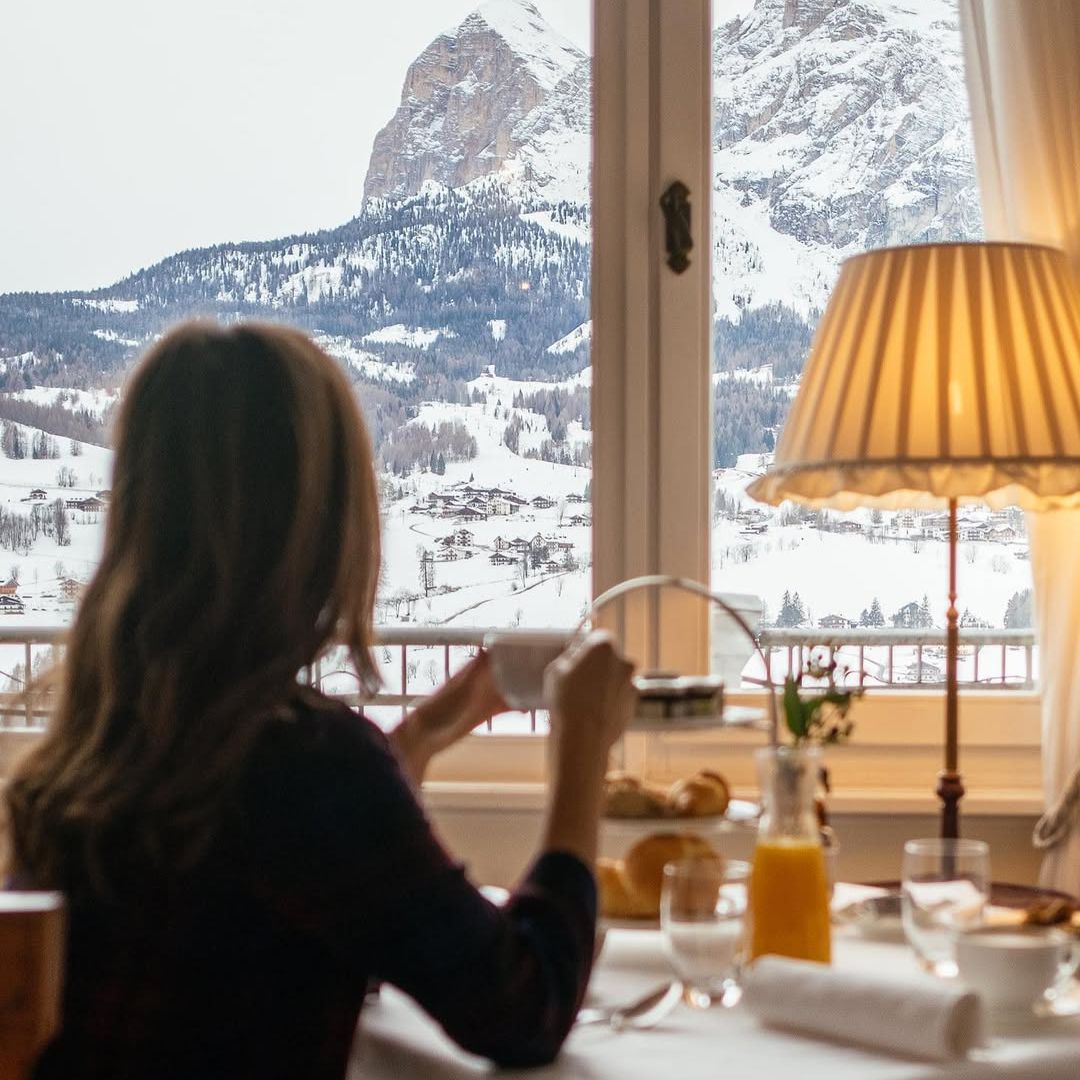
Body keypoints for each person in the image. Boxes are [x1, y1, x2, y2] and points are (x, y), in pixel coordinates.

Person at [2, 321, 636, 1079]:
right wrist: (581, 753)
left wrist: (423, 736)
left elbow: (291, 927)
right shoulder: (306, 764)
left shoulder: (104, 745)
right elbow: (522, 1009)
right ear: (325, 519)